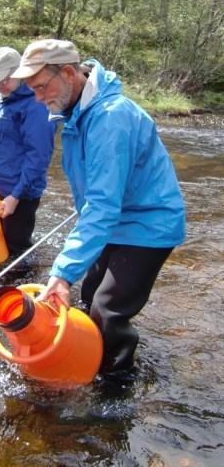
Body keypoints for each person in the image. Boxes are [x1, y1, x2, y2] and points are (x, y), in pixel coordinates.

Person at [11, 39, 186, 376]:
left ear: (67, 72)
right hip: (116, 217)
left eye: (41, 87)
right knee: (88, 293)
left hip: (149, 224)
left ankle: (113, 391)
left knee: (107, 311)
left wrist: (61, 273)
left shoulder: (110, 117)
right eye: (32, 90)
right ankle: (87, 360)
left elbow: (103, 205)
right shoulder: (75, 112)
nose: (37, 98)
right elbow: (98, 199)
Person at [0, 46, 55, 254]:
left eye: (5, 79)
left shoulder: (36, 105)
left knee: (15, 251)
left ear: (19, 72)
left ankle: (24, 285)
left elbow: (39, 157)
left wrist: (15, 195)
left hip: (20, 194)